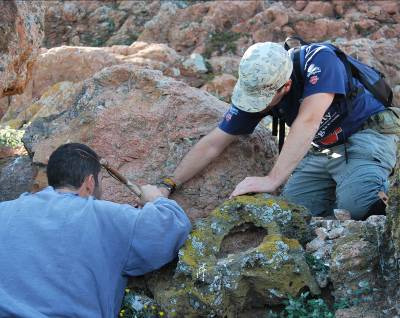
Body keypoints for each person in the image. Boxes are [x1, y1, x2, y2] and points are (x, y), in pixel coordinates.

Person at [158, 41, 398, 220]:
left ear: (286, 85)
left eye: (263, 99)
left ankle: (375, 192)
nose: (258, 105)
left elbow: (309, 121)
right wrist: (168, 184)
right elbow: (215, 142)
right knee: (292, 214)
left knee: (359, 207)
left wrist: (272, 179)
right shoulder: (260, 84)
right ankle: (344, 199)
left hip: (367, 132)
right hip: (325, 149)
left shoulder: (319, 60)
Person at [0, 143, 191, 317]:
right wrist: (156, 198)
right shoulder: (103, 216)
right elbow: (171, 228)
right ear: (90, 183)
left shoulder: (4, 210)